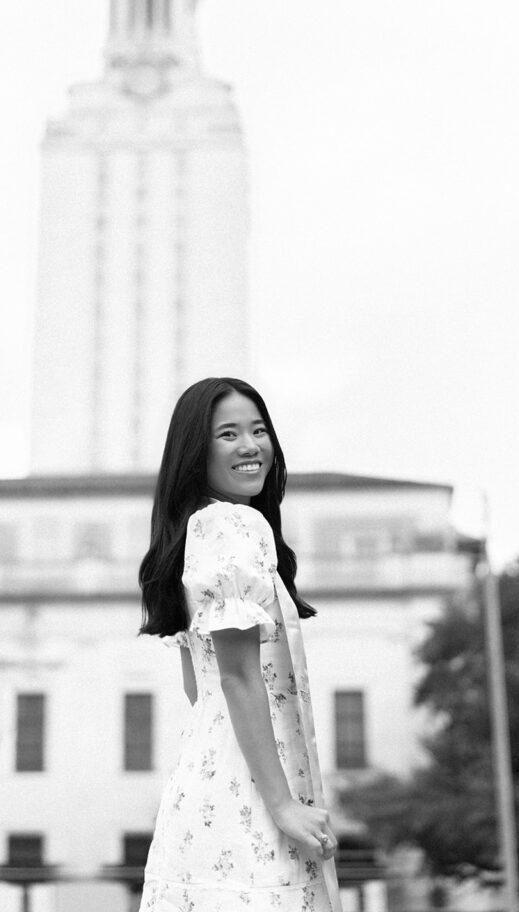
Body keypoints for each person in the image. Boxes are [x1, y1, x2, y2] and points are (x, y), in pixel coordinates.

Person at [137, 377, 342, 912]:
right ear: (196, 452)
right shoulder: (233, 525)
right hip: (254, 792)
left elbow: (197, 686)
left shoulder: (192, 532)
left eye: (259, 430)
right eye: (228, 434)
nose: (251, 446)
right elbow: (236, 676)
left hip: (206, 785)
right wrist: (282, 804)